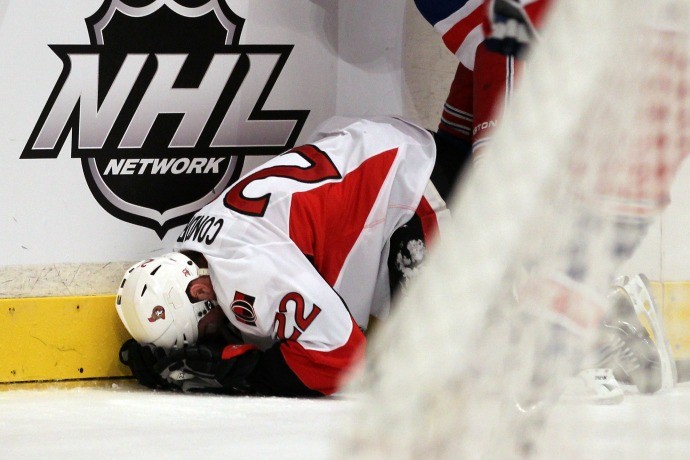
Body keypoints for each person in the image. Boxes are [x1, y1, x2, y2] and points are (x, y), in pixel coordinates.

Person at [116, 115, 462, 397]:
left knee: (449, 378)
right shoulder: (199, 234)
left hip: (416, 183)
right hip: (393, 150)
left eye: (204, 329)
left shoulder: (244, 271)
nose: (212, 334)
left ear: (201, 292)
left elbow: (341, 358)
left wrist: (231, 374)